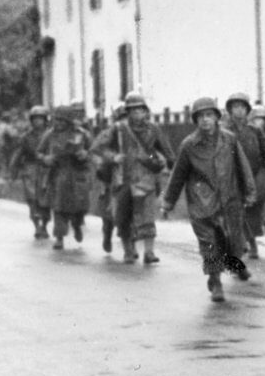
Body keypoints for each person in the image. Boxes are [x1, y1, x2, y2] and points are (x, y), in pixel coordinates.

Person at [162, 97, 258, 302]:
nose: (205, 120)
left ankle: (236, 264)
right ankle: (215, 282)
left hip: (229, 199)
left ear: (216, 117)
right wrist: (168, 201)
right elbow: (178, 175)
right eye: (200, 117)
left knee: (233, 240)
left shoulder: (229, 139)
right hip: (202, 203)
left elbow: (243, 167)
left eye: (209, 115)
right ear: (195, 120)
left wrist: (249, 191)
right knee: (210, 244)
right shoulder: (189, 145)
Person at [94, 91, 174, 264]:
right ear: (128, 112)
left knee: (147, 217)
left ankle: (149, 252)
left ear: (146, 111)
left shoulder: (153, 129)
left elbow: (166, 153)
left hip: (146, 179)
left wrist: (155, 161)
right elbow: (98, 147)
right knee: (123, 218)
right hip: (122, 179)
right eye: (133, 110)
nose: (137, 114)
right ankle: (128, 251)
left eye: (140, 110)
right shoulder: (118, 129)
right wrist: (113, 157)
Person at [223, 93, 265, 259]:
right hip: (233, 176)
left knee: (253, 212)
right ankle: (242, 243)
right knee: (237, 211)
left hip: (254, 175)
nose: (239, 110)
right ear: (230, 110)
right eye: (235, 107)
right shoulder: (224, 131)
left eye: (242, 107)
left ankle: (252, 245)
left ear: (247, 110)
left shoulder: (254, 130)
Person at [42, 104, 96, 250]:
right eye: (56, 120)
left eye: (62, 120)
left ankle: (77, 225)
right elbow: (39, 152)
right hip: (58, 174)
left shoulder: (82, 134)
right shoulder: (50, 134)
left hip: (78, 174)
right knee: (58, 207)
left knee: (79, 206)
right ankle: (59, 237)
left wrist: (85, 154)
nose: (58, 123)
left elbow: (95, 150)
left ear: (69, 121)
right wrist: (46, 158)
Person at [13, 105, 52, 238]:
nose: (37, 121)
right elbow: (19, 153)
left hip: (47, 169)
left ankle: (45, 225)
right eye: (35, 119)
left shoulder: (51, 135)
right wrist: (13, 170)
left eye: (40, 118)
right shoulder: (26, 137)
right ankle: (37, 226)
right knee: (32, 199)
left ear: (45, 119)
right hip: (30, 168)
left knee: (46, 200)